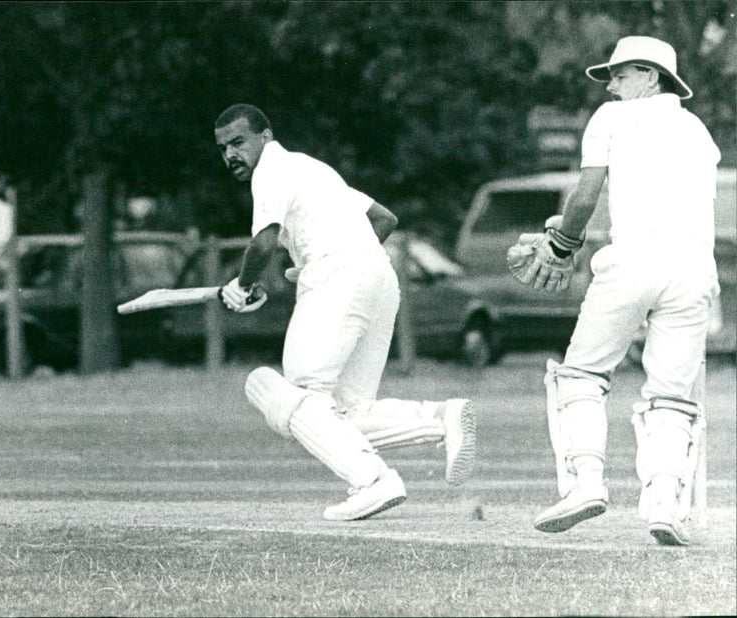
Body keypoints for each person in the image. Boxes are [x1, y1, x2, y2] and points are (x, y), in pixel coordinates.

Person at [214, 103, 476, 521]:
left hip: (339, 277)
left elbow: (263, 242)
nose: (230, 154)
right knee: (345, 410)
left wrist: (242, 287)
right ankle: (440, 419)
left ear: (266, 137)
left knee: (297, 394)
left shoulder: (270, 170)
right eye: (223, 148)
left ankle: (372, 481)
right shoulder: (313, 170)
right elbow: (384, 219)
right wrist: (316, 261)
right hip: (379, 278)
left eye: (238, 142)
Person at [507, 36, 721, 545]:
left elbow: (585, 194)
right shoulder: (697, 130)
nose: (610, 86)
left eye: (620, 75)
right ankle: (664, 504)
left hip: (633, 263)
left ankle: (586, 484)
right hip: (694, 270)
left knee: (580, 374)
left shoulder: (611, 117)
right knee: (671, 394)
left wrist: (563, 243)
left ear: (650, 76)